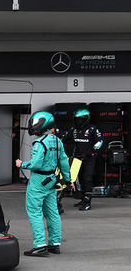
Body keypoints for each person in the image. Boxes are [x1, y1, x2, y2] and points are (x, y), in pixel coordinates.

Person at [15, 111, 73, 257]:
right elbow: (64, 162)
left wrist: (22, 164)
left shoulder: (39, 143)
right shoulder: (57, 141)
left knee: (34, 212)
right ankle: (54, 244)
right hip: (52, 180)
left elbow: (36, 164)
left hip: (38, 181)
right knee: (52, 212)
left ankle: (40, 245)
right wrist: (68, 180)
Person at [63, 109, 103, 211]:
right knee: (78, 180)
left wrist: (92, 149)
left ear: (86, 119)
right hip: (77, 158)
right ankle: (82, 198)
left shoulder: (93, 129)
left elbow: (100, 141)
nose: (78, 121)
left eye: (80, 119)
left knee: (87, 179)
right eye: (76, 119)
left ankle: (88, 202)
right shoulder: (74, 129)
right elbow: (65, 138)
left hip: (89, 158)